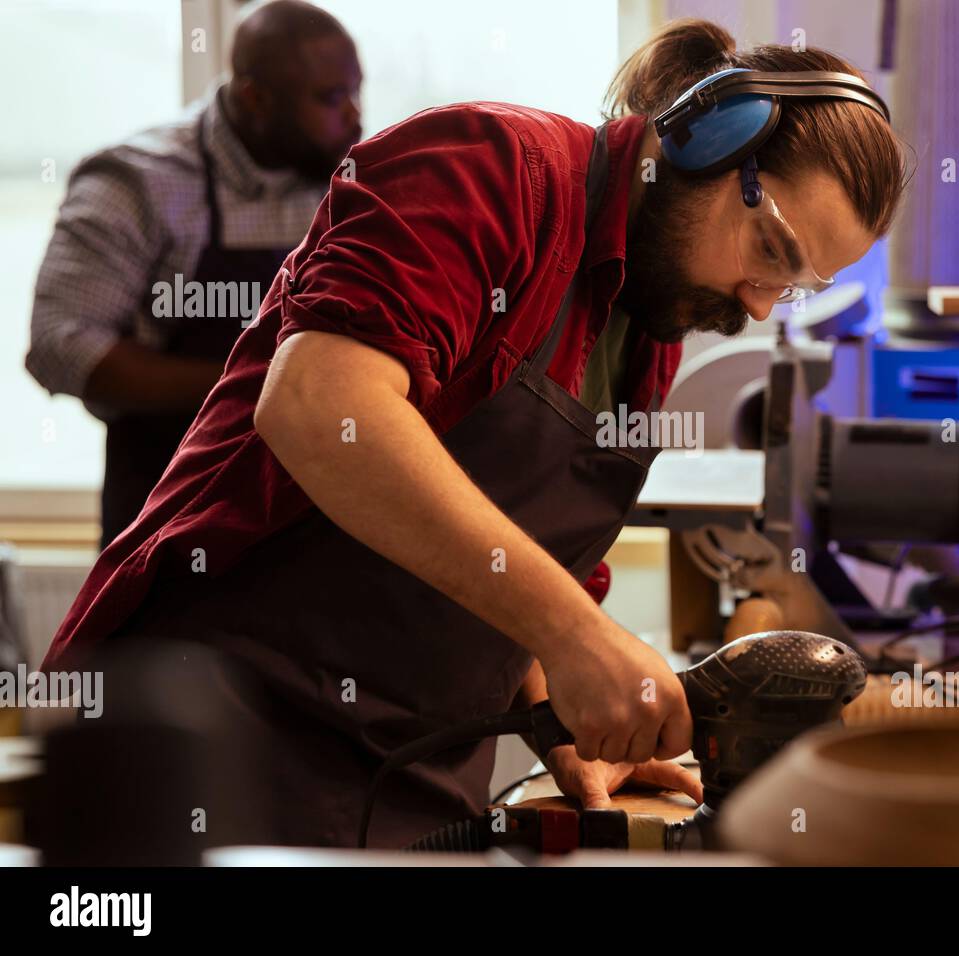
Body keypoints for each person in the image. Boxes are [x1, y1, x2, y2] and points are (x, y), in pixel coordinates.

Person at [41, 18, 908, 848]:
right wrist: (578, 636)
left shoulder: (646, 321)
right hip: (220, 733)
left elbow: (504, 546)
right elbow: (318, 407)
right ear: (706, 138)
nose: (761, 302)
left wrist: (557, 713)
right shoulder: (488, 168)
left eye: (794, 287)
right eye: (773, 249)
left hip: (415, 773)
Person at [26, 0, 362, 549]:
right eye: (329, 98)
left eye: (355, 91)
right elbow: (60, 343)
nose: (353, 115)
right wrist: (259, 389)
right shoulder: (138, 182)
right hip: (169, 528)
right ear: (256, 97)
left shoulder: (344, 179)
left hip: (308, 532)